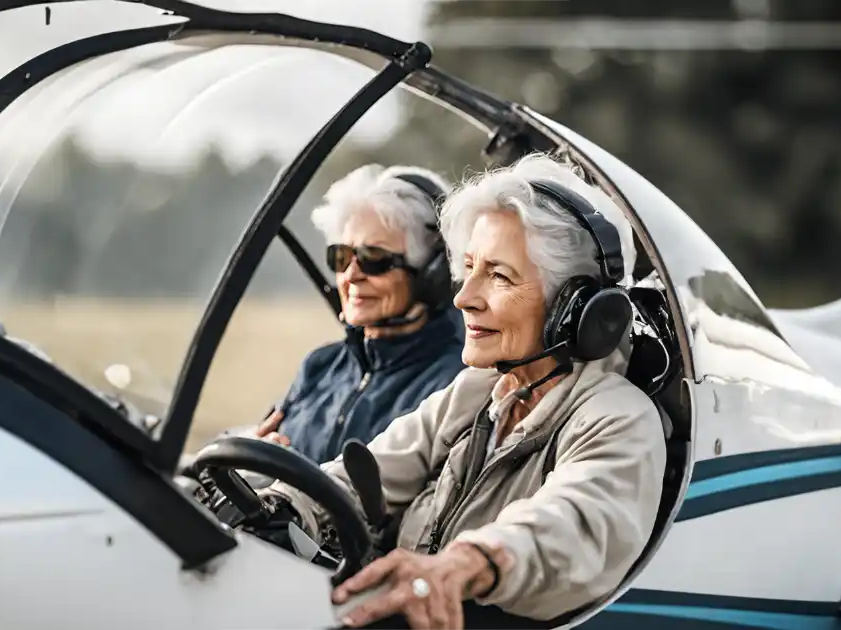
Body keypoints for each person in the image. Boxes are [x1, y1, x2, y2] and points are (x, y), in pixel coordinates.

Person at [253, 153, 668, 629]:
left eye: (498, 275)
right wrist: (282, 504)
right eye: (468, 267)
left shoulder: (617, 417)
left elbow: (572, 523)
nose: (463, 296)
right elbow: (366, 471)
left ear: (575, 309)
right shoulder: (479, 391)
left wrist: (464, 564)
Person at [255, 164, 467, 465]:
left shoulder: (454, 385)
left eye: (374, 259)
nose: (351, 275)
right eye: (341, 256)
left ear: (433, 274)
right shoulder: (319, 366)